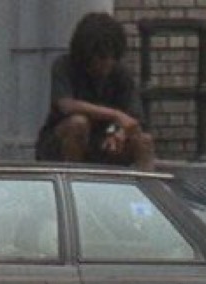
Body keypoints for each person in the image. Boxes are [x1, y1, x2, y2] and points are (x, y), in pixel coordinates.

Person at [35, 12, 155, 171]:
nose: (108, 63)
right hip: (64, 142)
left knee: (144, 140)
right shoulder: (64, 66)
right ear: (87, 54)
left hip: (104, 139)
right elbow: (66, 105)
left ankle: (146, 184)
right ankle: (74, 178)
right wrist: (115, 115)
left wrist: (118, 131)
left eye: (112, 57)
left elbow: (133, 118)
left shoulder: (121, 75)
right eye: (101, 57)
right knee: (78, 123)